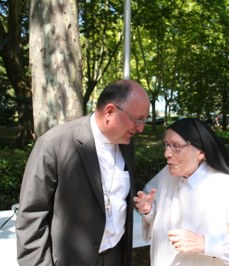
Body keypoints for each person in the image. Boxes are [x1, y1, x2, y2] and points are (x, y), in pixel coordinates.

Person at [16, 79, 150, 266]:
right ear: (110, 111)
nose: (141, 128)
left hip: (116, 258)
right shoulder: (54, 144)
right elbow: (31, 216)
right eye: (138, 119)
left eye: (144, 120)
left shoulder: (127, 144)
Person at [134, 118, 229, 266]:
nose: (166, 153)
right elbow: (160, 220)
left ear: (201, 152)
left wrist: (205, 244)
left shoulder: (227, 187)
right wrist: (148, 210)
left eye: (176, 146)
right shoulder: (166, 175)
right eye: (166, 145)